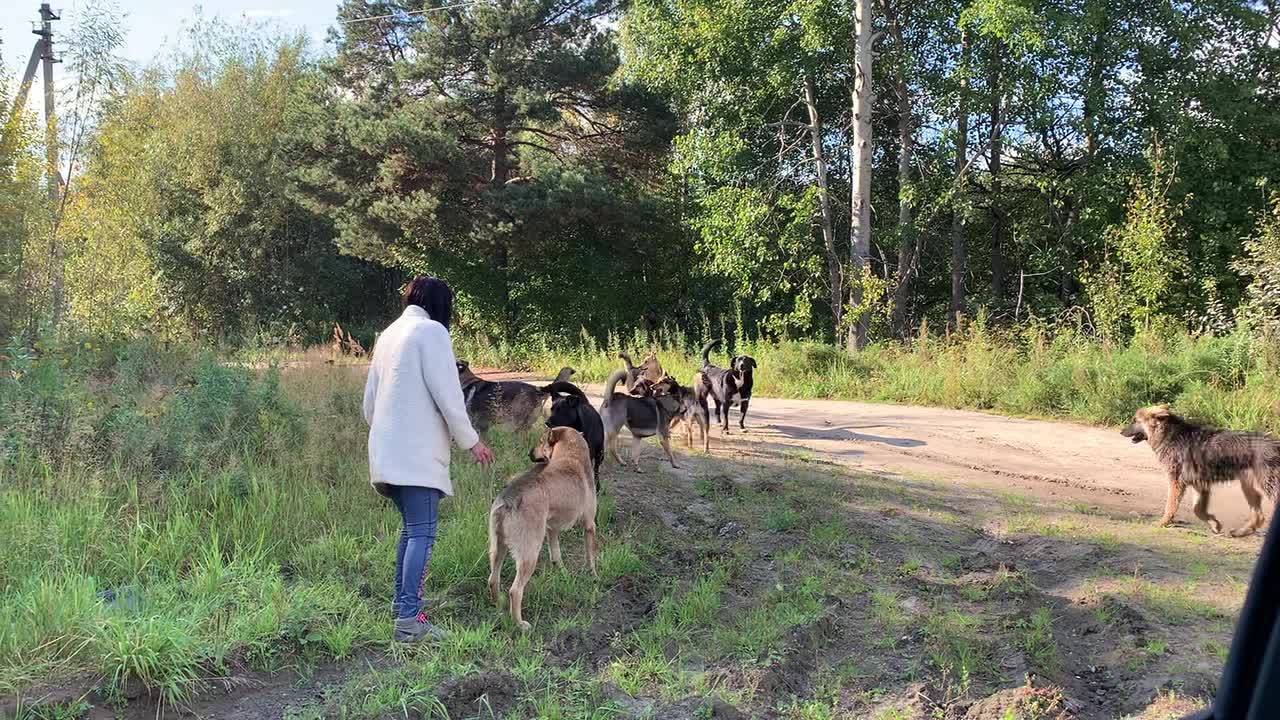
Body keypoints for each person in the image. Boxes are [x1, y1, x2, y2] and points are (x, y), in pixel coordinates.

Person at [362, 276, 496, 643]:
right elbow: (449, 396)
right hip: (416, 457)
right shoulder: (432, 332)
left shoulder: (387, 335)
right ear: (442, 305)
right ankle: (409, 621)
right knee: (422, 533)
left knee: (410, 531)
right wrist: (473, 443)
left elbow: (368, 407)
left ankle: (403, 607)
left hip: (385, 455)